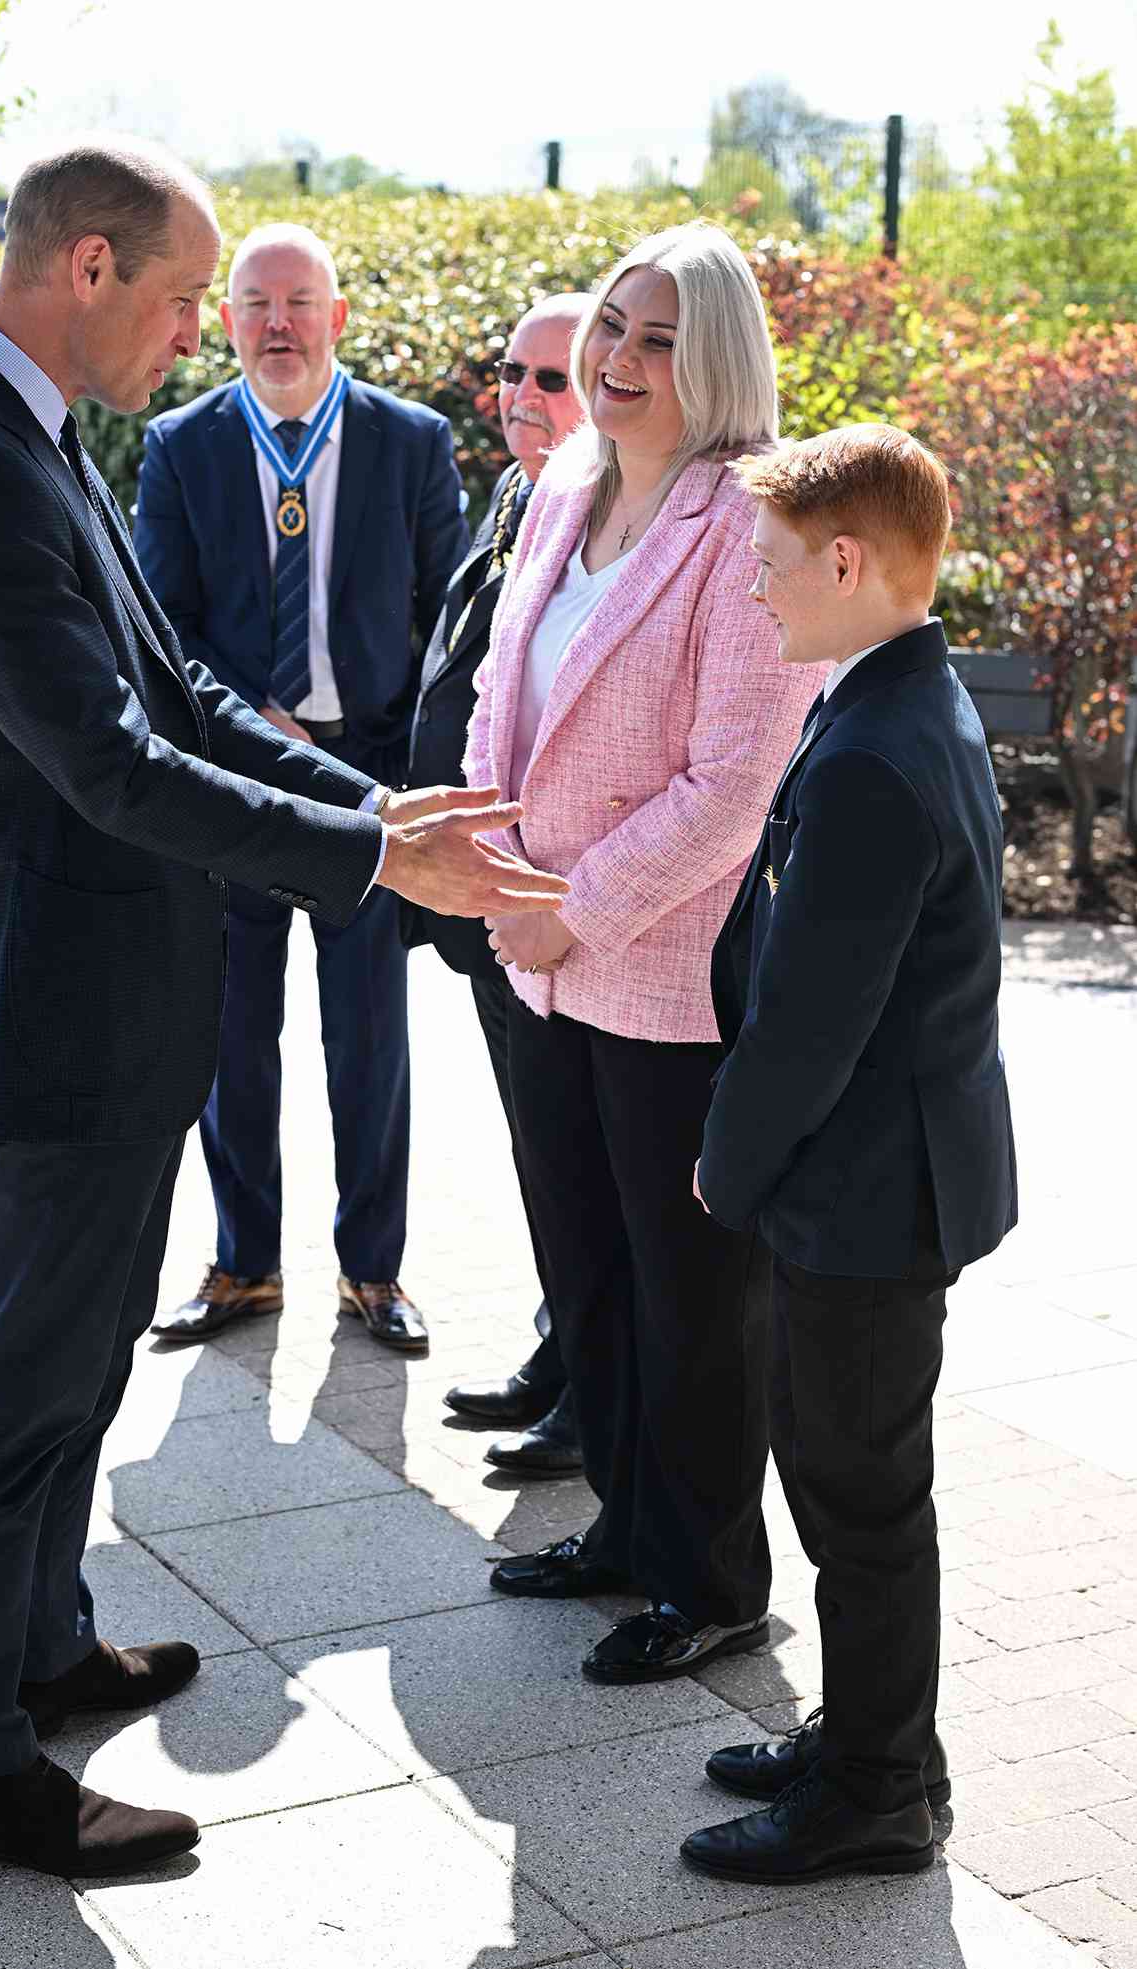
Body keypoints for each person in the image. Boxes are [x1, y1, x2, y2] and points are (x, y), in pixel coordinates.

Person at [0, 140, 568, 1881]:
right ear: (90, 265)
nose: (195, 334)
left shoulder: (24, 436)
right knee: (14, 1392)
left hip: (107, 1000)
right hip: (62, 1012)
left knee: (81, 1351)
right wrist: (370, 863)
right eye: (185, 295)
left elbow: (175, 682)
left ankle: (42, 1645)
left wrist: (370, 813)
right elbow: (106, 764)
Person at [464, 222, 820, 1681]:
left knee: (692, 1295)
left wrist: (576, 902)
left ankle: (713, 1575)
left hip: (661, 967)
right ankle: (623, 1524)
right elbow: (504, 680)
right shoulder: (564, 483)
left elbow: (732, 785)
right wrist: (491, 862)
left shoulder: (749, 519)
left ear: (719, 360)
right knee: (589, 1268)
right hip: (534, 947)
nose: (616, 360)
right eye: (613, 326)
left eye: (659, 339)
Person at [682, 425, 1017, 1884]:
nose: (756, 591)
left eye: (768, 566)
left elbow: (814, 1022)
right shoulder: (893, 698)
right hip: (876, 1173)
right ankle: (880, 1742)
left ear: (845, 560)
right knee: (846, 1477)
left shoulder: (882, 746)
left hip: (869, 1188)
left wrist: (724, 1164)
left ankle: (880, 1788)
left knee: (858, 1490)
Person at [136, 224, 468, 1353]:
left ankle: (374, 1271)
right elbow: (160, 628)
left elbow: (446, 631)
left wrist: (415, 778)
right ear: (225, 320)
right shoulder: (181, 446)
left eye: (300, 301)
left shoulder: (410, 442)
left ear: (337, 316)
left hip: (368, 785)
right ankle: (244, 1263)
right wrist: (245, 722)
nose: (279, 324)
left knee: (369, 1040)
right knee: (233, 1033)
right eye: (255, 304)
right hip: (237, 788)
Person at [406, 294, 588, 1474]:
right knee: (538, 1145)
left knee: (574, 1148)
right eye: (512, 372)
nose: (521, 396)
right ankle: (560, 1343)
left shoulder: (600, 515)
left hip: (555, 908)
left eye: (551, 378)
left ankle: (591, 1384)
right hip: (486, 899)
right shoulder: (520, 494)